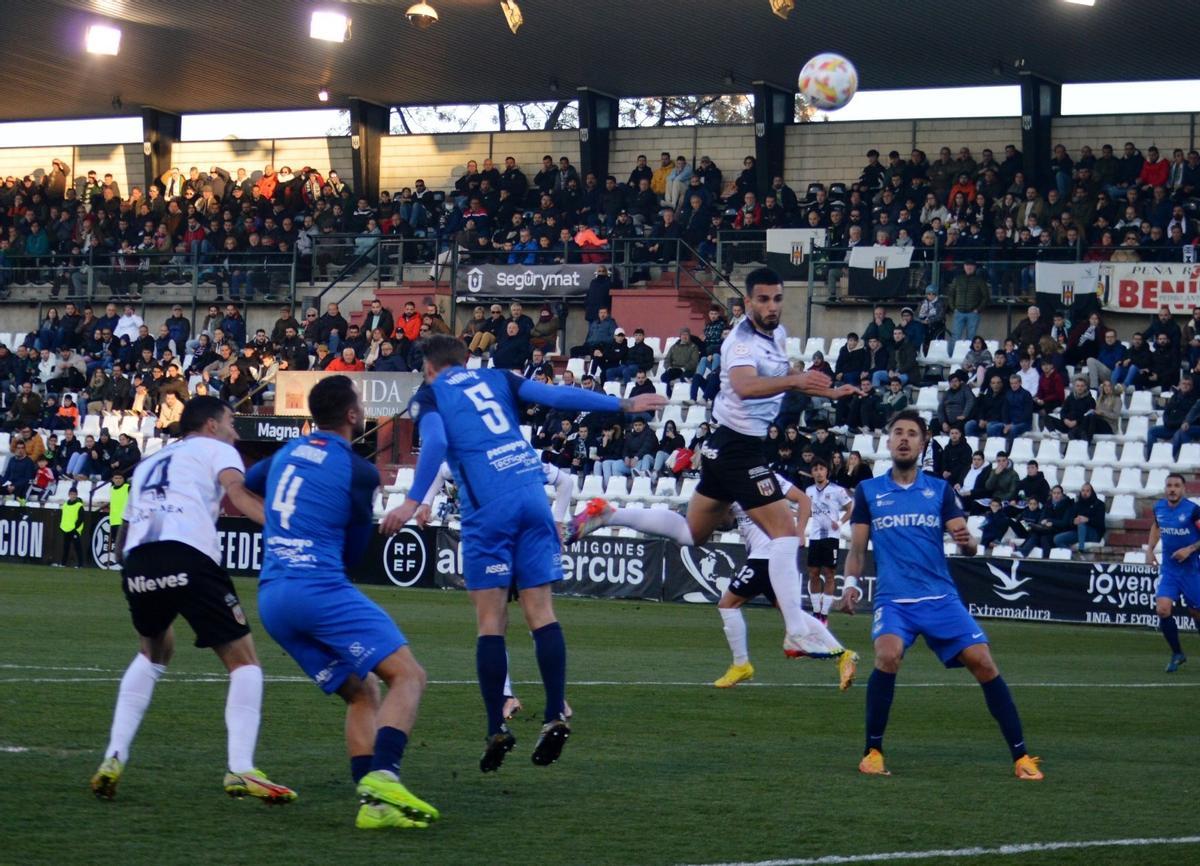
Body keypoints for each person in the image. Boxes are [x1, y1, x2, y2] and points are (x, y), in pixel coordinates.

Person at [380, 335, 666, 773]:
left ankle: (497, 724)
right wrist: (622, 407)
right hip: (532, 495)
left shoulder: (430, 394)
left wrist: (411, 499)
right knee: (542, 612)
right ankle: (554, 713)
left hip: (488, 507)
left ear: (430, 367)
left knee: (491, 620)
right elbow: (556, 395)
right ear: (466, 360)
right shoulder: (497, 377)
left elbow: (435, 443)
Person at [568, 268, 859, 661]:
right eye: (763, 300)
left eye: (777, 299)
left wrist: (822, 385)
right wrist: (795, 382)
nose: (772, 307)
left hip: (729, 446)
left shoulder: (777, 334)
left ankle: (609, 514)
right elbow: (745, 386)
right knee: (787, 532)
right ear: (748, 301)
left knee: (692, 533)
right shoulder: (740, 343)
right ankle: (794, 629)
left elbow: (782, 374)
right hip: (739, 447)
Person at [243, 377, 437, 831]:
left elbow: (251, 483)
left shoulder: (285, 453)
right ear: (352, 416)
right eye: (361, 404)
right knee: (408, 676)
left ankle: (373, 807)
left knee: (362, 692)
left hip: (273, 597)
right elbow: (351, 557)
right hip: (318, 588)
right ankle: (385, 775)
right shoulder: (360, 470)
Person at [91, 397, 295, 803]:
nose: (236, 431)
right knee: (245, 663)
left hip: (138, 561)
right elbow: (237, 493)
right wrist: (283, 528)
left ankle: (113, 756)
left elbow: (126, 530)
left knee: (153, 652)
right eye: (232, 422)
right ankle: (241, 768)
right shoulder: (219, 449)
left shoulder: (151, 459)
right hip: (187, 554)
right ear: (212, 425)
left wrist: (135, 569)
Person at [844, 410, 1042, 781]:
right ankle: (872, 751)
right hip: (894, 600)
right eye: (898, 433)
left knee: (983, 662)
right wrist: (851, 585)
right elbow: (857, 549)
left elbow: (965, 542)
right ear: (888, 442)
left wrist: (968, 543)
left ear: (922, 443)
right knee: (887, 656)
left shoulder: (939, 490)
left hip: (939, 598)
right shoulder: (868, 491)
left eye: (912, 434)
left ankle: (1022, 756)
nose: (904, 439)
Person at [713, 472, 858, 691]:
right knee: (792, 614)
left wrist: (800, 531)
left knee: (727, 604)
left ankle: (740, 664)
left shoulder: (754, 477)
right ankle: (843, 655)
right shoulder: (748, 479)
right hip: (775, 556)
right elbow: (727, 521)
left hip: (764, 557)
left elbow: (804, 499)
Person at [1145, 473, 1200, 673]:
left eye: (1176, 485)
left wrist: (1190, 549)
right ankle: (1177, 653)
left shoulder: (1193, 511)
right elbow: (1156, 526)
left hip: (1191, 571)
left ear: (1184, 489)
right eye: (1169, 485)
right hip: (1169, 570)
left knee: (1196, 613)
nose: (1172, 489)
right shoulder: (1159, 508)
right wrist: (1150, 549)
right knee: (1162, 609)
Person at [805, 459, 852, 624]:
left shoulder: (837, 490)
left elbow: (850, 507)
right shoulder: (808, 491)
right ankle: (816, 611)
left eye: (821, 468)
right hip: (814, 537)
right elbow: (808, 512)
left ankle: (824, 615)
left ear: (827, 471)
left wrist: (839, 523)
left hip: (831, 537)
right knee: (813, 574)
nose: (818, 472)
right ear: (812, 473)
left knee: (830, 574)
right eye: (815, 469)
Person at [1053, 482, 1105, 552]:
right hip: (1079, 533)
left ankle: (1081, 550)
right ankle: (1073, 555)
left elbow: (1100, 522)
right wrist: (1074, 522)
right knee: (1057, 539)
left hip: (1093, 534)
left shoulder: (1099, 504)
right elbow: (1069, 521)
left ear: (1092, 492)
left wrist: (1087, 520)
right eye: (1083, 491)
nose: (1085, 493)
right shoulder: (1077, 505)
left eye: (1087, 491)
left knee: (1082, 524)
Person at [57, 486, 86, 567]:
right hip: (66, 529)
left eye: (74, 494)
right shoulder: (65, 505)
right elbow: (63, 517)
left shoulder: (79, 505)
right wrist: (62, 526)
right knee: (65, 547)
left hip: (74, 530)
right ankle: (63, 563)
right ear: (68, 495)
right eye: (71, 494)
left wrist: (75, 528)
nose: (72, 496)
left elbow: (81, 518)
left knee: (78, 548)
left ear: (76, 495)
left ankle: (80, 564)